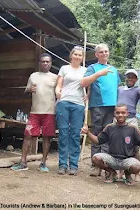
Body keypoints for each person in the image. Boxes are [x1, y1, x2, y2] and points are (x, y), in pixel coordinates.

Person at [81, 104, 140, 185]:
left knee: (136, 167)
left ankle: (127, 174)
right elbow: (97, 141)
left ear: (127, 114)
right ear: (114, 114)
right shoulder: (109, 128)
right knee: (96, 158)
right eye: (118, 113)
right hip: (112, 159)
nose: (120, 115)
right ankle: (112, 172)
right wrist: (88, 133)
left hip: (127, 160)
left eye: (123, 112)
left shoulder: (132, 129)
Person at [11, 53, 57, 172]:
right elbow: (26, 90)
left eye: (47, 61)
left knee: (47, 137)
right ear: (39, 63)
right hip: (35, 112)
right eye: (43, 61)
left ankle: (43, 163)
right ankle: (23, 162)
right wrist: (29, 89)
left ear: (51, 63)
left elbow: (59, 94)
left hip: (50, 112)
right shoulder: (33, 76)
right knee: (28, 135)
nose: (45, 63)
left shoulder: (55, 77)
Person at [80, 43, 121, 177]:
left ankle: (106, 165)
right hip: (97, 105)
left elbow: (117, 88)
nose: (104, 53)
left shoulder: (114, 69)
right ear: (96, 54)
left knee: (108, 135)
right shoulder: (93, 68)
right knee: (97, 134)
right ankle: (96, 165)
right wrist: (99, 74)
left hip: (112, 106)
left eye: (106, 51)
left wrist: (118, 106)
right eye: (101, 52)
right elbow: (84, 82)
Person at [55, 46, 87, 175]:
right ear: (71, 55)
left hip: (78, 104)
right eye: (76, 54)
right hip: (63, 102)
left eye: (80, 55)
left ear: (82, 57)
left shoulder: (86, 70)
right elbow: (59, 84)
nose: (78, 57)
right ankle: (62, 164)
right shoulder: (64, 69)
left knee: (74, 135)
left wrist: (88, 96)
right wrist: (57, 91)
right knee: (63, 133)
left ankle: (73, 165)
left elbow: (89, 85)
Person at [117, 69, 140, 181]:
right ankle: (120, 171)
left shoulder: (137, 89)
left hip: (131, 119)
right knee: (119, 145)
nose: (130, 79)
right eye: (128, 77)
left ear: (136, 79)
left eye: (133, 77)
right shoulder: (119, 89)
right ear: (126, 78)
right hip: (118, 119)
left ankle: (136, 172)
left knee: (135, 145)